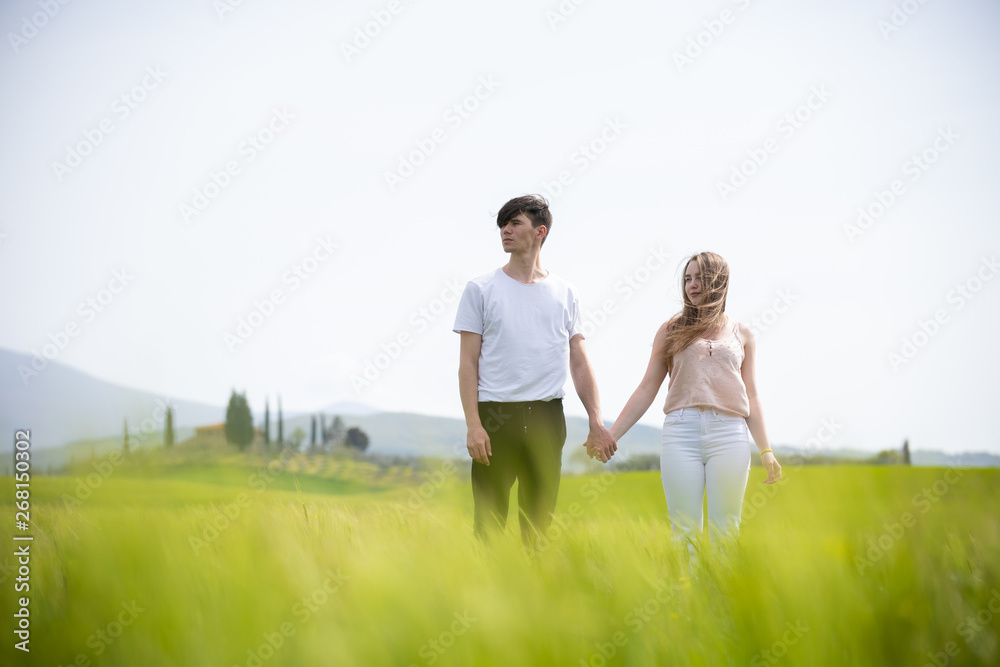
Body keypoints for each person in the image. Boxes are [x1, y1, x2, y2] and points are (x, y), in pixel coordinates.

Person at [453, 195, 617, 544]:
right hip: (495, 417)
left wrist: (595, 421)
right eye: (502, 224)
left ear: (540, 232)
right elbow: (467, 363)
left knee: (538, 528)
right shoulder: (480, 289)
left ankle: (532, 593)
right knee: (488, 527)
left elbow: (579, 359)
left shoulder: (565, 292)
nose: (505, 230)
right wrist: (474, 425)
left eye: (515, 223)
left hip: (547, 417)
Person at [605, 251, 781, 546]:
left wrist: (766, 450)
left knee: (726, 531)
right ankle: (686, 592)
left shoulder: (743, 334)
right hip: (680, 433)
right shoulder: (671, 329)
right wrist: (612, 435)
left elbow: (751, 393)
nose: (692, 285)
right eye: (687, 278)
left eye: (700, 277)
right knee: (684, 532)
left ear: (719, 281)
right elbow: (648, 387)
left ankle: (722, 593)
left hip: (729, 432)